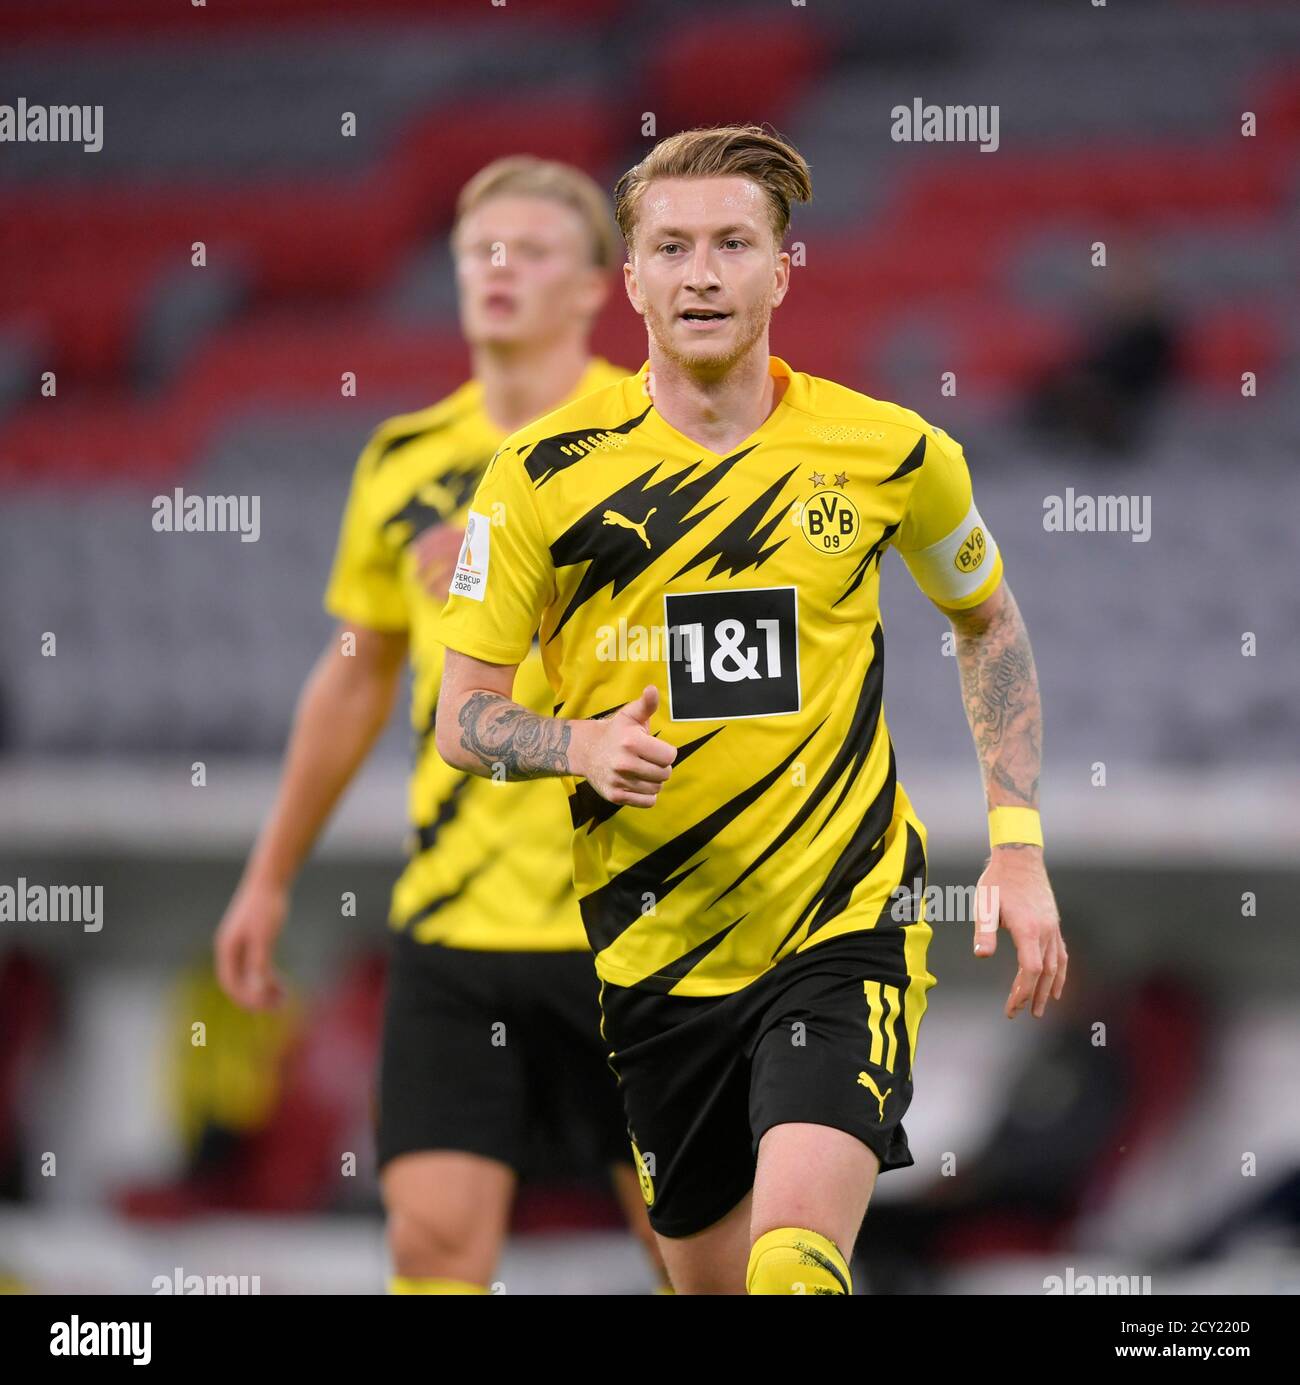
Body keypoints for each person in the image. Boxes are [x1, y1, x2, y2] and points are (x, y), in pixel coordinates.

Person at [433, 125, 1067, 1295]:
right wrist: (574, 741)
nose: (702, 273)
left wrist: (1017, 846)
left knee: (792, 1264)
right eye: (670, 247)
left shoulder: (890, 452)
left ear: (784, 268)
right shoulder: (536, 478)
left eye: (733, 242)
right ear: (629, 281)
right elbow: (459, 717)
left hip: (841, 927)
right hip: (654, 964)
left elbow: (988, 622)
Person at [215, 155, 664, 1293]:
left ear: (593, 285)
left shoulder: (663, 437)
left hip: (638, 921)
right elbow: (358, 675)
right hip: (457, 927)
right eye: (478, 251)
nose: (498, 270)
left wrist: (511, 550)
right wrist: (269, 874)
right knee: (429, 1244)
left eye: (533, 250)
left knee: (697, 1257)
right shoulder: (403, 459)